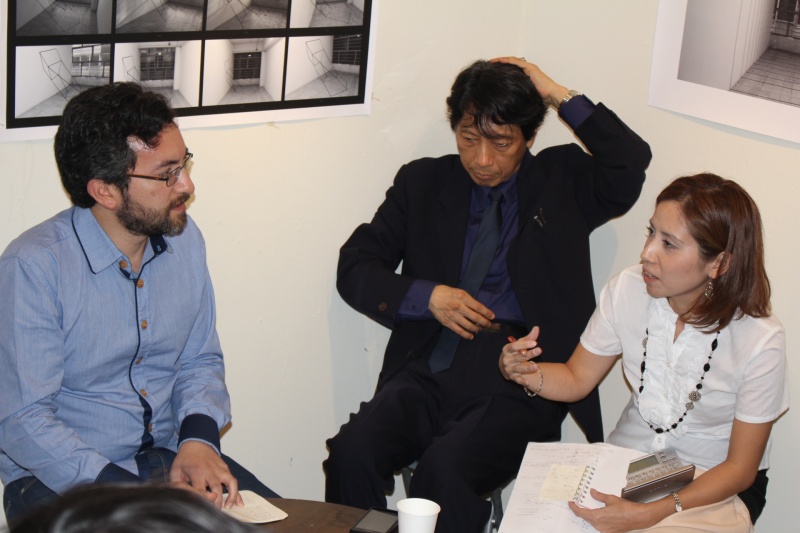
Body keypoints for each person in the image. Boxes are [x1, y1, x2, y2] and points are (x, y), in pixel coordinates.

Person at [324, 56, 652, 533]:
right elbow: (355, 266)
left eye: (500, 143)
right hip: (430, 364)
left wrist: (553, 91)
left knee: (443, 473)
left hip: (520, 375)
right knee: (351, 453)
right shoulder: (423, 183)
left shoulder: (563, 182)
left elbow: (629, 159)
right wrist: (427, 297)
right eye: (468, 138)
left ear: (529, 137)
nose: (482, 159)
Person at [0, 83, 277, 526]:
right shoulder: (34, 267)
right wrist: (138, 497)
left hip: (169, 458)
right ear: (105, 191)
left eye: (184, 164)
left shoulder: (185, 240)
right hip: (62, 481)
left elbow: (200, 359)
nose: (187, 185)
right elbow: (24, 421)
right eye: (167, 174)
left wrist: (199, 441)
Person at [500, 173, 787, 532]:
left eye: (669, 244)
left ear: (719, 263)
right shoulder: (628, 289)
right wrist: (526, 372)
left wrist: (652, 514)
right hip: (634, 462)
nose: (647, 253)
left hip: (713, 481)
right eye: (651, 232)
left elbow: (741, 469)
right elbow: (576, 378)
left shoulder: (760, 339)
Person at [8, 484, 260, 533]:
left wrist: (199, 440)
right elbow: (25, 419)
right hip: (62, 470)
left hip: (164, 451)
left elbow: (201, 366)